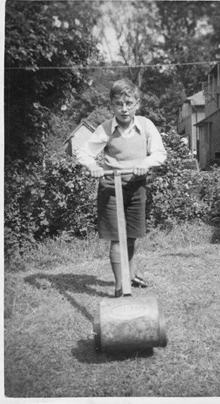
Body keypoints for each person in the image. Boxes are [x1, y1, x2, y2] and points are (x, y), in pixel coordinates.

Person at [75, 78, 166, 297]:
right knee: (117, 237)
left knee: (132, 236)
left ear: (137, 104)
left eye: (129, 103)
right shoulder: (105, 129)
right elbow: (83, 152)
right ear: (112, 105)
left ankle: (130, 275)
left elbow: (159, 153)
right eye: (118, 104)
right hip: (110, 187)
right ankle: (120, 288)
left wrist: (145, 163)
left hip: (135, 186)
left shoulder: (145, 125)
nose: (124, 109)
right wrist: (92, 166)